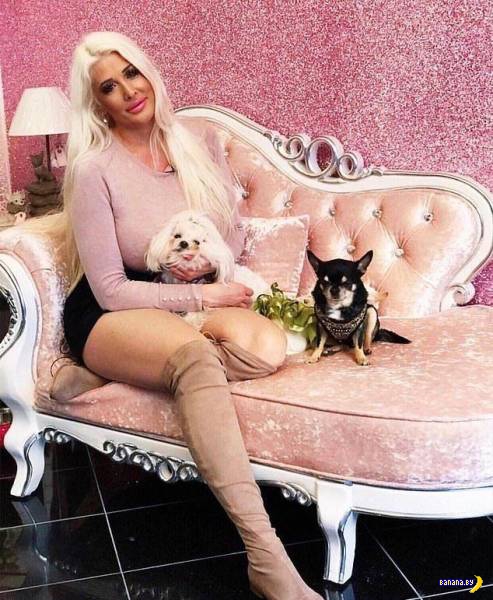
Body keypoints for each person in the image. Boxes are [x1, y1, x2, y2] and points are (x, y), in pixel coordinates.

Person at [25, 31, 323, 600]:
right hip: (115, 309)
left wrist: (210, 261)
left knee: (265, 346)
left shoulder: (198, 141)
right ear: (98, 105)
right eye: (108, 87)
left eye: (131, 73)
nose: (127, 91)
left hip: (189, 295)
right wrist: (202, 299)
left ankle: (114, 374)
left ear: (149, 72)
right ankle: (266, 556)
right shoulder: (93, 170)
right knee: (195, 360)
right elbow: (110, 288)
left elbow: (231, 233)